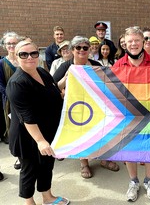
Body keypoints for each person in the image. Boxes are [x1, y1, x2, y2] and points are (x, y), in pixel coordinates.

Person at [6, 40, 69, 205]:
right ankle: (29, 202)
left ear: (38, 55)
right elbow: (27, 116)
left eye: (33, 53)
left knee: (46, 166)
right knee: (29, 170)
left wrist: (68, 78)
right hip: (28, 136)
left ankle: (47, 197)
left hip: (48, 130)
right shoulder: (17, 83)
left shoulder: (42, 71)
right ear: (16, 56)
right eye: (23, 54)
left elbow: (55, 90)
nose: (29, 57)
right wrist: (40, 141)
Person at [53, 36, 120, 179]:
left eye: (85, 47)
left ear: (89, 49)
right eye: (78, 47)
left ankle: (104, 159)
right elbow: (54, 88)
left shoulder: (96, 64)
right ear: (72, 50)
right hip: (76, 107)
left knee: (101, 130)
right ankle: (84, 163)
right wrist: (65, 81)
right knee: (81, 133)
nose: (82, 50)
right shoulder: (66, 66)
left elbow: (107, 83)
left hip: (97, 105)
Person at [114, 26, 150, 202]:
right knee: (129, 149)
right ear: (124, 44)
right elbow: (113, 92)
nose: (133, 44)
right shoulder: (118, 65)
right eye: (129, 41)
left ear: (143, 42)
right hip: (128, 115)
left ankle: (149, 181)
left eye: (136, 40)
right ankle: (133, 182)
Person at [0, 31, 20, 145]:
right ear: (5, 46)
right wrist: (10, 95)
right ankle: (17, 152)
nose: (12, 46)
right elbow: (0, 84)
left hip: (26, 99)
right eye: (9, 43)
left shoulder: (24, 60)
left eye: (14, 43)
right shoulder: (2, 63)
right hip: (9, 102)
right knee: (14, 128)